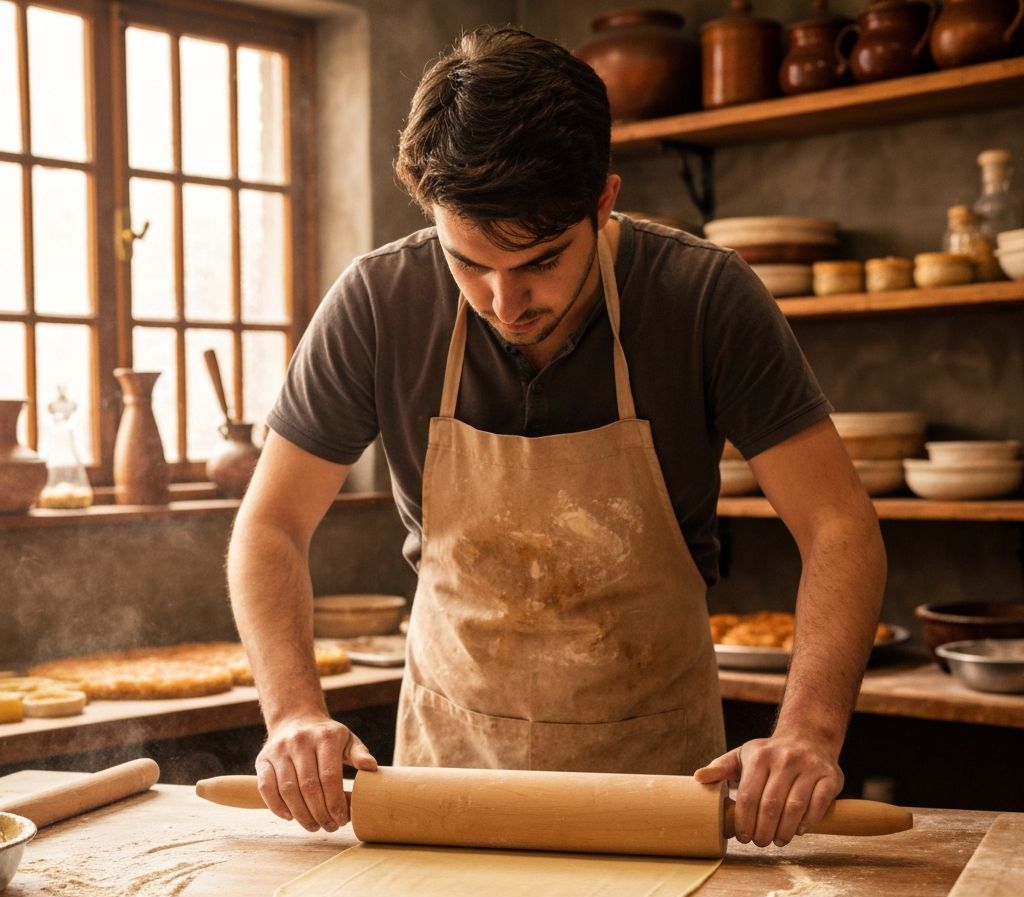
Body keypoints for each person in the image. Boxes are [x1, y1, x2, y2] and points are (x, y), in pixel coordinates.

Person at [227, 26, 886, 850]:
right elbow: (270, 524)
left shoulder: (704, 299)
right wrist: (293, 713)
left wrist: (810, 733)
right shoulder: (377, 303)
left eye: (539, 260)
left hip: (658, 788)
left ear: (603, 201)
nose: (505, 303)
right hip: (444, 784)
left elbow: (839, 525)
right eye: (469, 263)